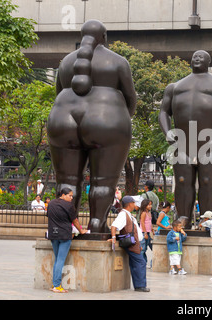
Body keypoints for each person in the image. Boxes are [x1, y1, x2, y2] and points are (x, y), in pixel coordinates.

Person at [47, 19, 136, 233]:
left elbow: (58, 92)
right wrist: (122, 120)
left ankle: (65, 227)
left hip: (62, 118)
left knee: (67, 181)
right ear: (104, 37)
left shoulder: (66, 62)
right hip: (106, 119)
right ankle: (96, 224)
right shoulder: (118, 61)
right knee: (103, 181)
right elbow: (130, 98)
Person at [159, 50, 212, 228]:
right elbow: (164, 112)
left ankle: (207, 218)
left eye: (201, 57)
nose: (197, 58)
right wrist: (168, 133)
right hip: (182, 144)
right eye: (195, 56)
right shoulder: (174, 87)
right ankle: (183, 218)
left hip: (211, 144)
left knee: (209, 182)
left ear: (208, 62)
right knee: (182, 182)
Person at [47, 187, 87, 293]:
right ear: (63, 195)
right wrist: (81, 231)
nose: (71, 197)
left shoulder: (51, 204)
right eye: (70, 195)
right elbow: (75, 220)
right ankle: (56, 285)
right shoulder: (68, 205)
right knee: (60, 260)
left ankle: (54, 284)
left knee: (57, 260)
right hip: (64, 235)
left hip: (53, 234)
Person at [108, 196, 150, 292]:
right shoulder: (123, 214)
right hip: (131, 243)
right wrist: (113, 238)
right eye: (134, 203)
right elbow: (114, 226)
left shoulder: (128, 214)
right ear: (130, 204)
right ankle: (140, 285)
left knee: (135, 263)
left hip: (135, 243)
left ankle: (139, 285)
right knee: (141, 262)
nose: (135, 205)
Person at [139, 199, 154, 268]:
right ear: (145, 205)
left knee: (150, 247)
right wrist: (145, 233)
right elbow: (142, 222)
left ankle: (145, 263)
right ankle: (142, 263)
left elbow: (149, 222)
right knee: (143, 249)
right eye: (149, 205)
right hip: (143, 233)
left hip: (148, 232)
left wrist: (152, 229)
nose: (150, 206)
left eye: (151, 204)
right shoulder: (144, 213)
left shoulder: (149, 213)